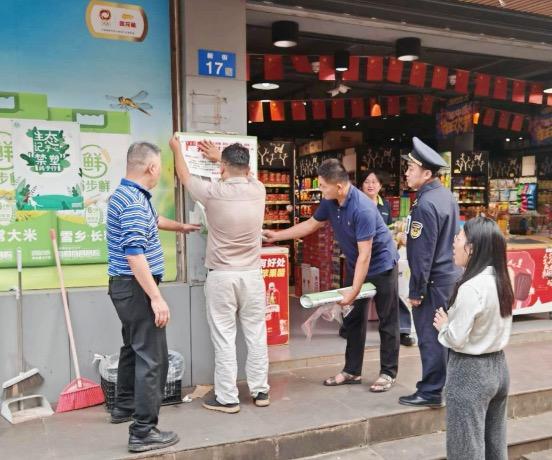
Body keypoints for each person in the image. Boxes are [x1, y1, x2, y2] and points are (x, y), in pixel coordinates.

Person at [265, 159, 400, 392]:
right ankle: (352, 371)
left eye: (323, 186)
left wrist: (354, 291)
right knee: (353, 320)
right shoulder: (330, 201)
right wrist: (277, 235)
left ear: (339, 186)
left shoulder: (362, 208)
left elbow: (366, 254)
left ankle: (388, 373)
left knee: (387, 321)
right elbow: (311, 224)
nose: (321, 190)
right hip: (355, 265)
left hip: (381, 265)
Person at [107, 142, 199, 453]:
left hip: (125, 287)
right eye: (161, 166)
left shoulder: (128, 195)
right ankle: (143, 431)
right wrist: (156, 298)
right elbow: (135, 255)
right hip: (137, 288)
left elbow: (155, 219)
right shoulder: (134, 202)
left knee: (133, 348)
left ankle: (123, 406)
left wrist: (181, 227)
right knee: (152, 358)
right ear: (152, 167)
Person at [170, 135, 270, 414]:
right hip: (252, 275)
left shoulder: (213, 192)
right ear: (247, 168)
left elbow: (184, 176)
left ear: (223, 168)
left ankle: (227, 397)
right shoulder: (259, 189)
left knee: (224, 337)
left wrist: (177, 148)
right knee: (256, 334)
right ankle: (260, 391)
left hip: (222, 276)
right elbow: (243, 174)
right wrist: (220, 159)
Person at [434, 217, 513, 460]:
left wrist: (444, 326)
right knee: (495, 444)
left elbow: (457, 338)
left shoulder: (472, 287)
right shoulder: (503, 276)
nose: (454, 243)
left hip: (469, 372)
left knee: (465, 448)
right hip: (499, 368)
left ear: (472, 248)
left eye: (458, 238)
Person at [398, 137, 460, 408]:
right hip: (449, 277)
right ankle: (443, 386)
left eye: (411, 168)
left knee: (430, 336)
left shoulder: (425, 204)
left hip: (433, 281)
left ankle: (431, 391)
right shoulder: (445, 196)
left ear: (426, 174)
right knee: (444, 334)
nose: (406, 173)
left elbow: (423, 254)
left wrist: (416, 290)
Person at [360, 170, 415, 347]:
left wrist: (398, 238)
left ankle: (402, 331)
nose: (370, 185)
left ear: (380, 185)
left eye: (374, 182)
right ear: (361, 185)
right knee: (357, 295)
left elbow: (390, 230)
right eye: (367, 181)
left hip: (383, 257)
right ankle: (349, 328)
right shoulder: (356, 203)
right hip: (362, 257)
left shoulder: (384, 206)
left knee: (393, 295)